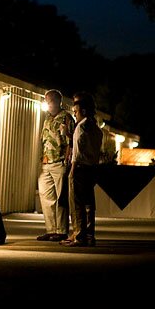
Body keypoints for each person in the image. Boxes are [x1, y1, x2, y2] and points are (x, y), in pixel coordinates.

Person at [62, 92, 104, 247]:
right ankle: (89, 235)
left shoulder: (80, 127)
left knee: (77, 203)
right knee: (89, 204)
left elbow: (77, 153)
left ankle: (78, 235)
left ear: (83, 110)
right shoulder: (96, 128)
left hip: (79, 168)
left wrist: (72, 170)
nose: (74, 115)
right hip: (92, 168)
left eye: (75, 112)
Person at [36, 89, 75, 241]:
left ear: (58, 102)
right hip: (47, 163)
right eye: (47, 100)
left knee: (61, 198)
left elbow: (71, 143)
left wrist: (67, 162)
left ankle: (61, 230)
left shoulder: (66, 118)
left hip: (60, 163)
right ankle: (51, 229)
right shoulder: (47, 119)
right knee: (46, 196)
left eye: (51, 100)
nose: (48, 104)